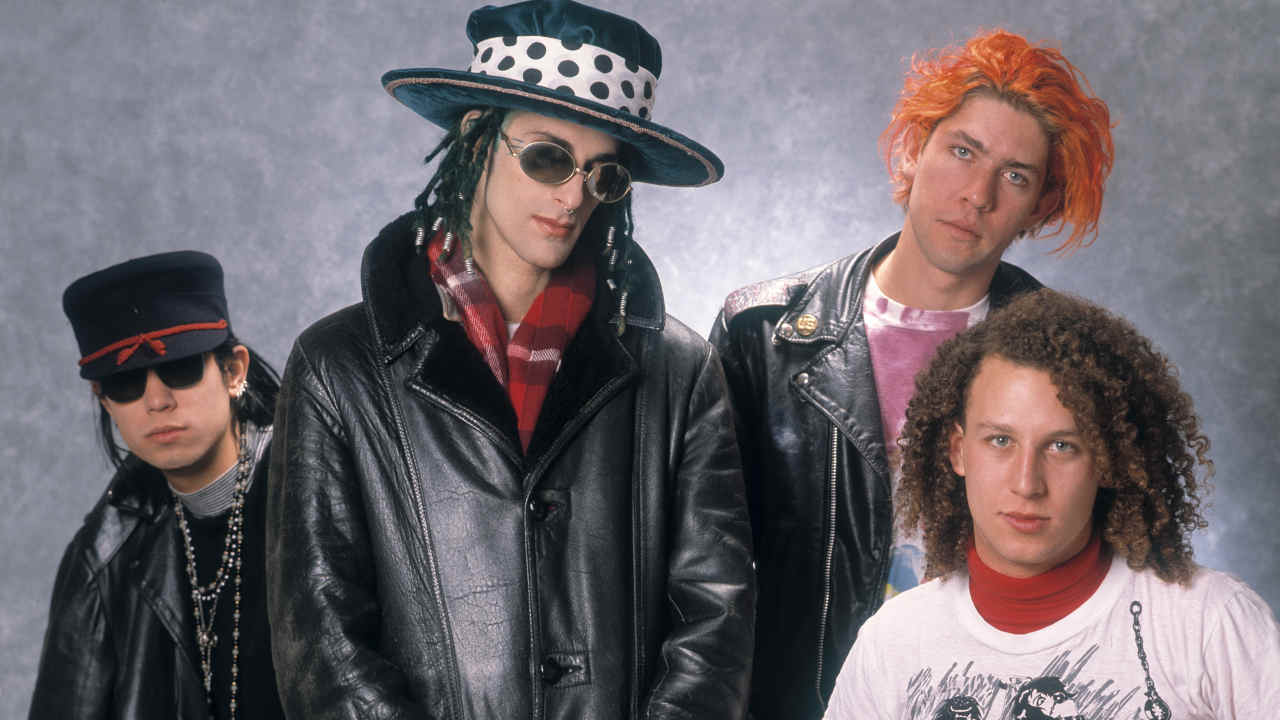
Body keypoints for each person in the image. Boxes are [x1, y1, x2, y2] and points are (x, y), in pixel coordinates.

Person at [265, 1, 754, 718]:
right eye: (547, 156)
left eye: (604, 175)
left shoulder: (680, 372)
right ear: (475, 139)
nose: (571, 196)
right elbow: (323, 641)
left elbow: (718, 623)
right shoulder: (338, 370)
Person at [710, 29, 1114, 718]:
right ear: (917, 147)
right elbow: (704, 574)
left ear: (1039, 206)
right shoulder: (763, 333)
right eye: (962, 151)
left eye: (1015, 176)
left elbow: (1100, 578)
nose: (977, 195)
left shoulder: (1073, 357)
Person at [824, 289, 1280, 719]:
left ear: (1105, 460)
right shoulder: (894, 641)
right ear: (959, 451)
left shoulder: (1210, 623)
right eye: (1000, 441)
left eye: (1062, 446)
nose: (1027, 483)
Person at [31, 251, 285, 719]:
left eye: (181, 369)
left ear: (233, 371)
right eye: (126, 383)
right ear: (103, 400)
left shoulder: (320, 490)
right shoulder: (104, 558)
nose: (156, 400)